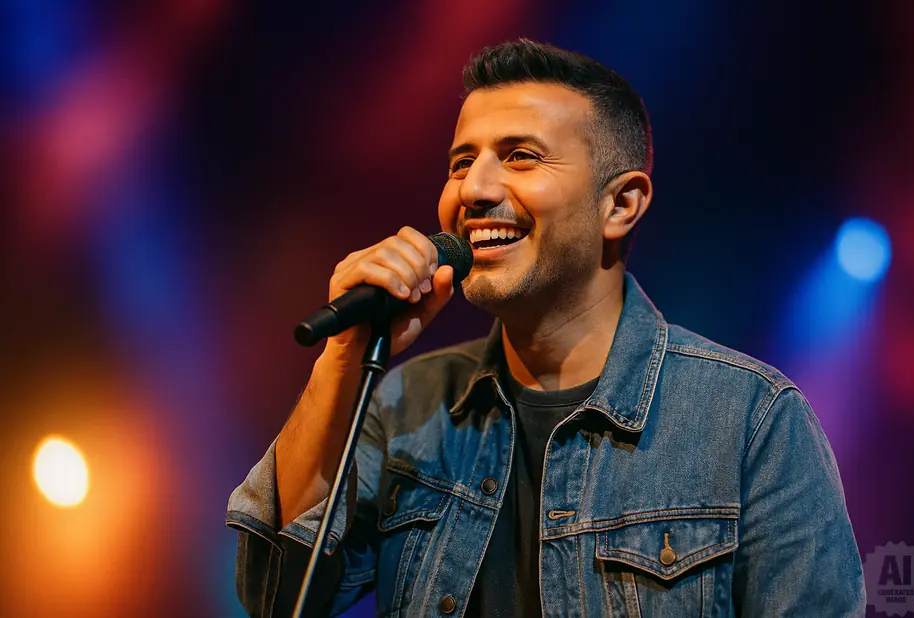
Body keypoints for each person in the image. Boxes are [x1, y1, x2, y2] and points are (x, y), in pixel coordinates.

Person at [227, 39, 865, 617]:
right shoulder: (405, 405)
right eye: (459, 162)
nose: (473, 189)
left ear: (621, 205)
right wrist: (342, 356)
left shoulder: (749, 421)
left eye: (521, 157)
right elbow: (277, 597)